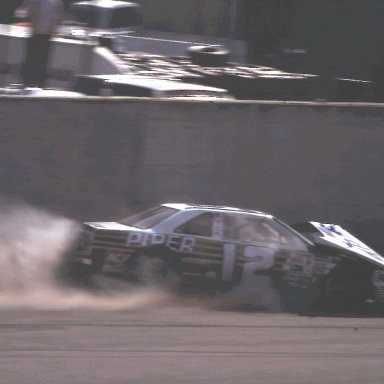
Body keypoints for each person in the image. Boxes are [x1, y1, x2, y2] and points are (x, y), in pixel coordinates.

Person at [14, 0, 64, 88]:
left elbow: (57, 17)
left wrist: (54, 30)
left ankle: (39, 82)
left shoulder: (55, 2)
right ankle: (28, 81)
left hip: (45, 35)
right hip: (37, 33)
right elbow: (28, 13)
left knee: (41, 60)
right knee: (33, 59)